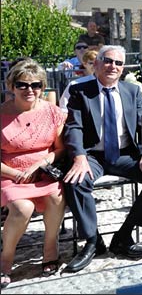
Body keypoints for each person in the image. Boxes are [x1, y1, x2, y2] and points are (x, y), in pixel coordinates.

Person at [62, 45, 142, 273]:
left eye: (118, 63)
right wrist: (79, 156)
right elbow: (73, 127)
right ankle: (91, 241)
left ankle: (124, 236)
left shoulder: (132, 91)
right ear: (97, 64)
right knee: (76, 181)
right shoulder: (81, 90)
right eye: (108, 61)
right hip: (93, 155)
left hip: (126, 153)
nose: (113, 67)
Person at [1, 59, 66, 287]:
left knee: (56, 196)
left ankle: (50, 250)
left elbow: (60, 149)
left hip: (43, 173)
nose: (30, 90)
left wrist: (42, 162)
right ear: (12, 86)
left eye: (36, 85)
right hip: (8, 175)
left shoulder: (52, 112)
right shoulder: (1, 114)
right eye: (23, 85)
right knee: (22, 208)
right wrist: (14, 173)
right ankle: (5, 261)